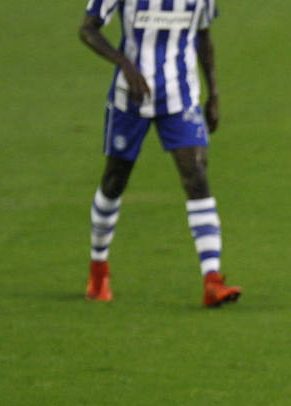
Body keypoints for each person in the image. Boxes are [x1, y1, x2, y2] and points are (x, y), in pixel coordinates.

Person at [78, 0, 242, 308]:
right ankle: (98, 269)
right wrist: (124, 63)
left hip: (181, 99)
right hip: (130, 99)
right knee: (114, 181)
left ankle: (212, 279)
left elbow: (204, 37)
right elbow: (88, 29)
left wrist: (214, 94)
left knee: (196, 178)